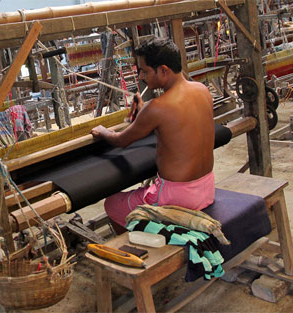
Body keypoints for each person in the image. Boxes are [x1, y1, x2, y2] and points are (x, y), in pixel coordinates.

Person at [90, 37, 215, 230]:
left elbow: (121, 141)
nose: (141, 76)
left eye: (145, 71)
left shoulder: (157, 108)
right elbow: (177, 123)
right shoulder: (202, 90)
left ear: (164, 70)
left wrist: (103, 131)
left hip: (178, 199)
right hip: (206, 189)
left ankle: (145, 242)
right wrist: (144, 113)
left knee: (112, 204)